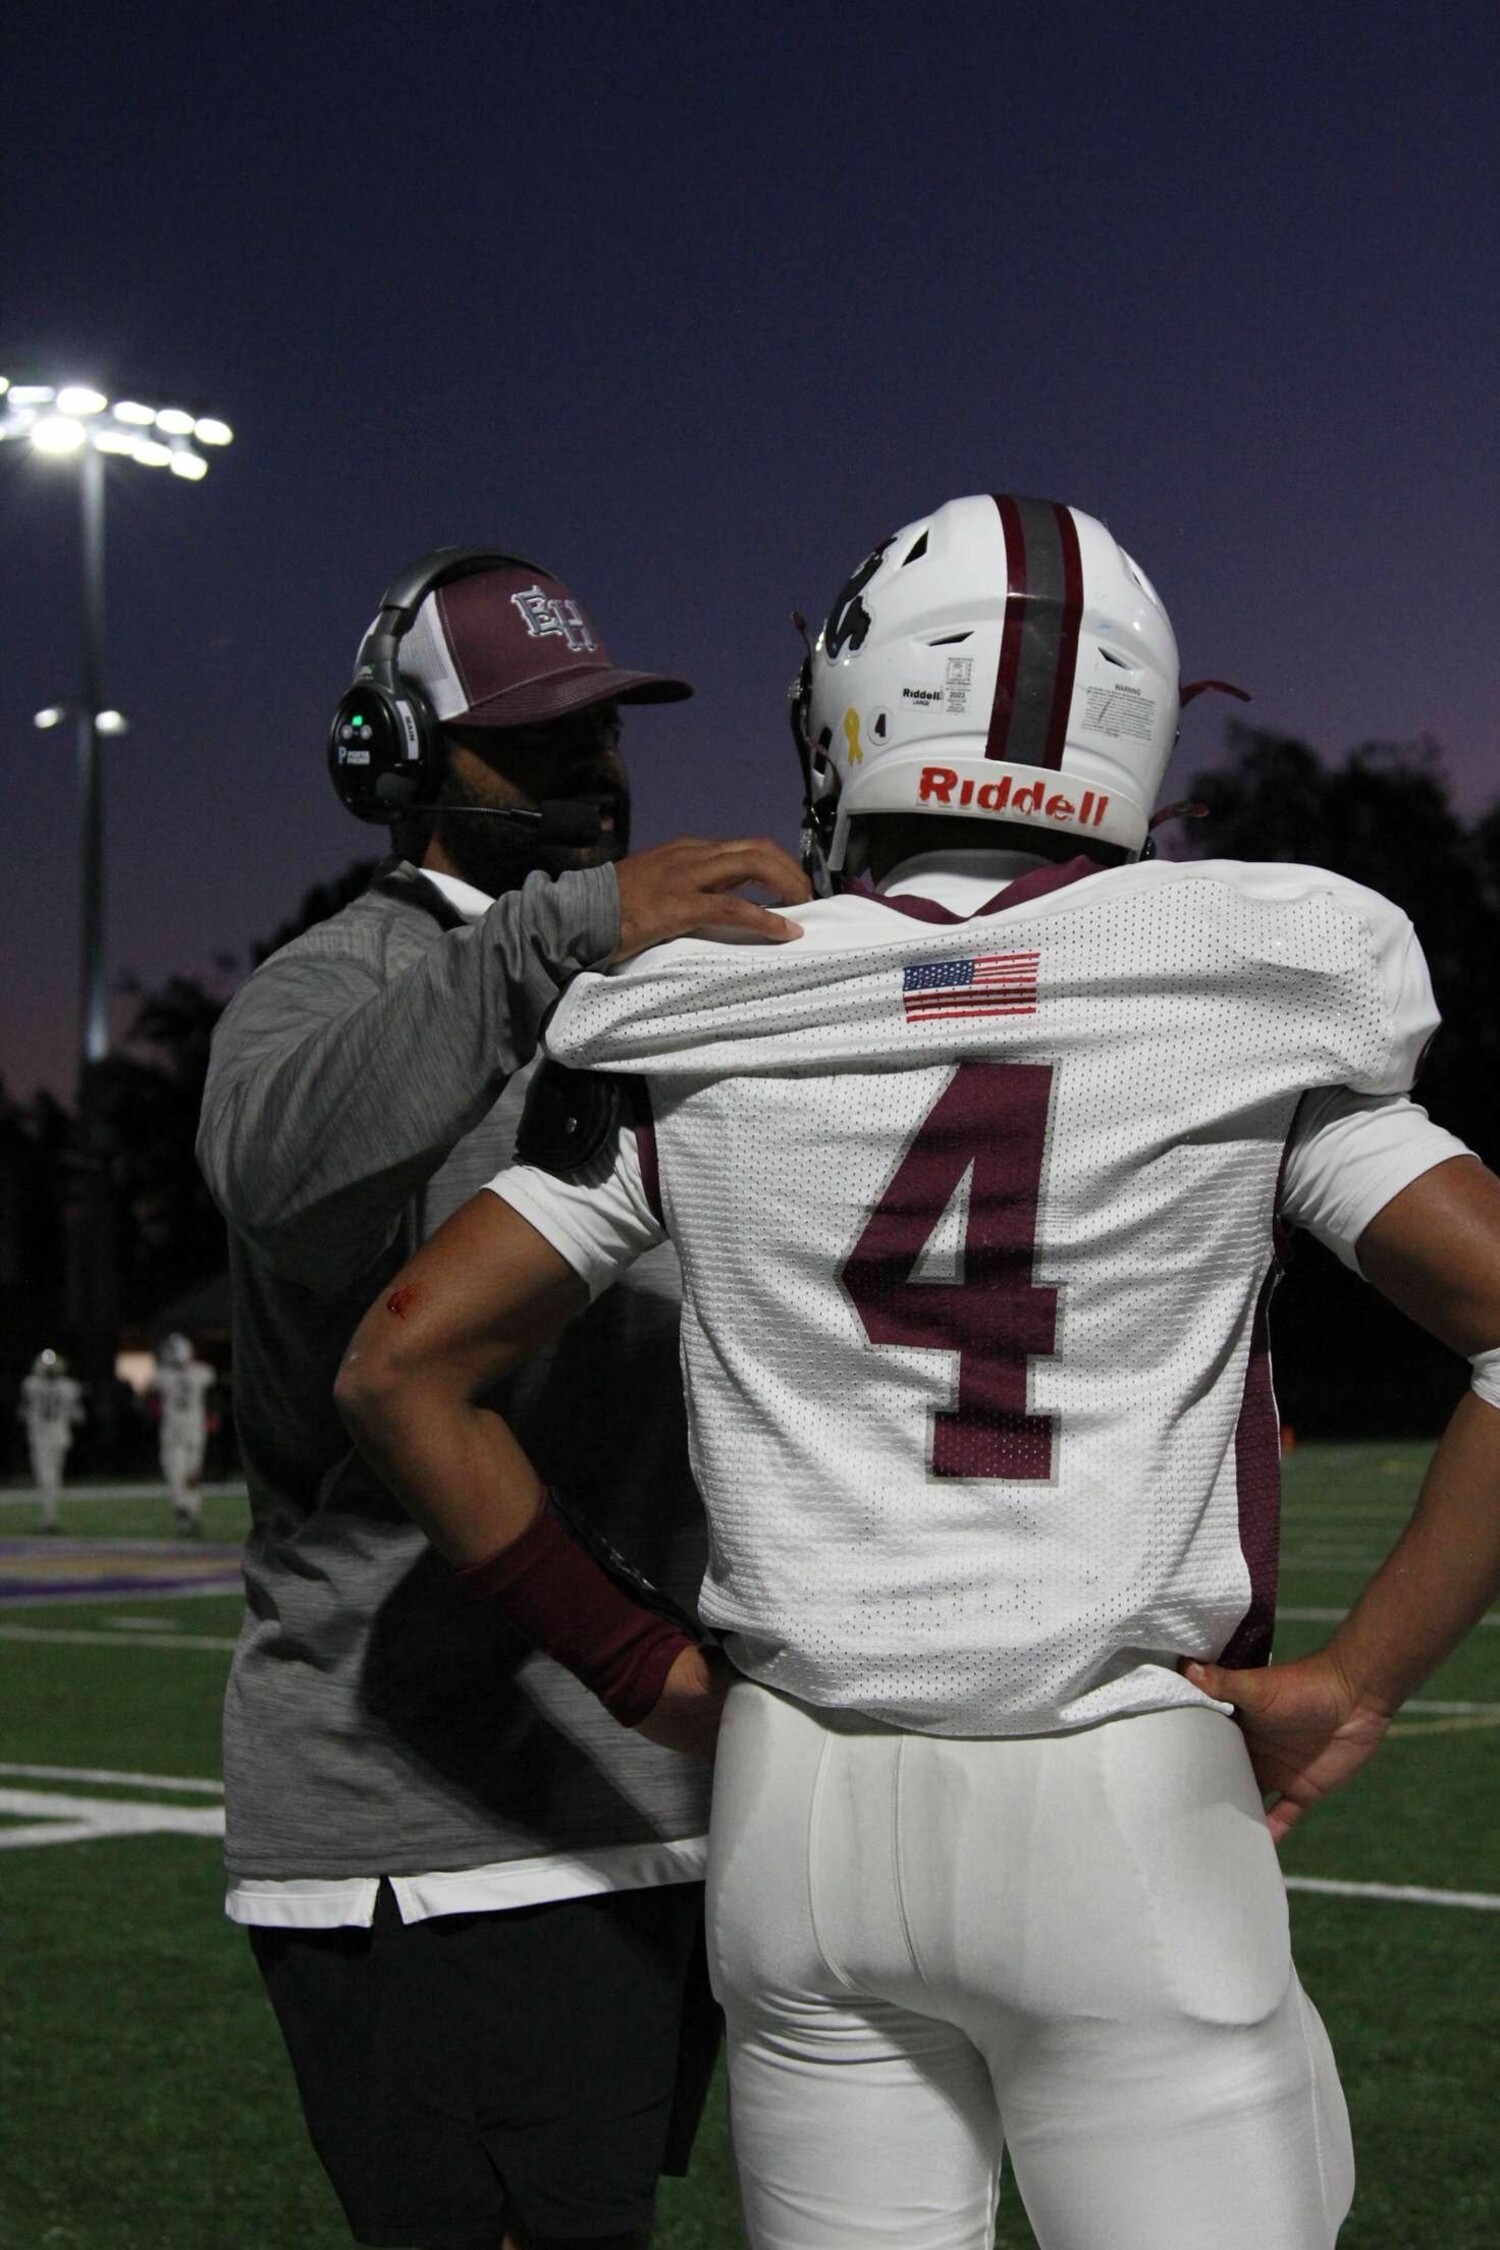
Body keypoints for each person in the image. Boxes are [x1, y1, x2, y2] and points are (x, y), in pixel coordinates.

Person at [335, 495, 1500, 2250]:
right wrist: (1364, 1678)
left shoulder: (718, 1002)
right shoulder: (1240, 972)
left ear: (860, 709)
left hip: (799, 1806)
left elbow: (401, 1366)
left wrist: (641, 1661)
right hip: (1124, 1797)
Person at [196, 544, 809, 2250]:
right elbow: (277, 1170)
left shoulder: (656, 976)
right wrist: (553, 935)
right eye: (535, 744)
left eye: (600, 736)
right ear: (395, 762)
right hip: (439, 1819)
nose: (589, 779)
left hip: (675, 1791)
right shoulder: (337, 989)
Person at [148, 1331, 216, 1535]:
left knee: (175, 1473)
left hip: (173, 1430)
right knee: (192, 1475)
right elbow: (210, 1387)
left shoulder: (162, 1376)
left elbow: (150, 1393)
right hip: (195, 1430)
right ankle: (192, 1513)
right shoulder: (203, 1372)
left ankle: (183, 1507)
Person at [18, 1349, 85, 1532]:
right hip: (61, 1437)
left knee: (46, 1479)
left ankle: (49, 1518)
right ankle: (50, 1515)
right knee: (54, 1477)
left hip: (41, 1438)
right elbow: (78, 1416)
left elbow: (23, 1412)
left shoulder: (30, 1384)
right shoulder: (69, 1386)